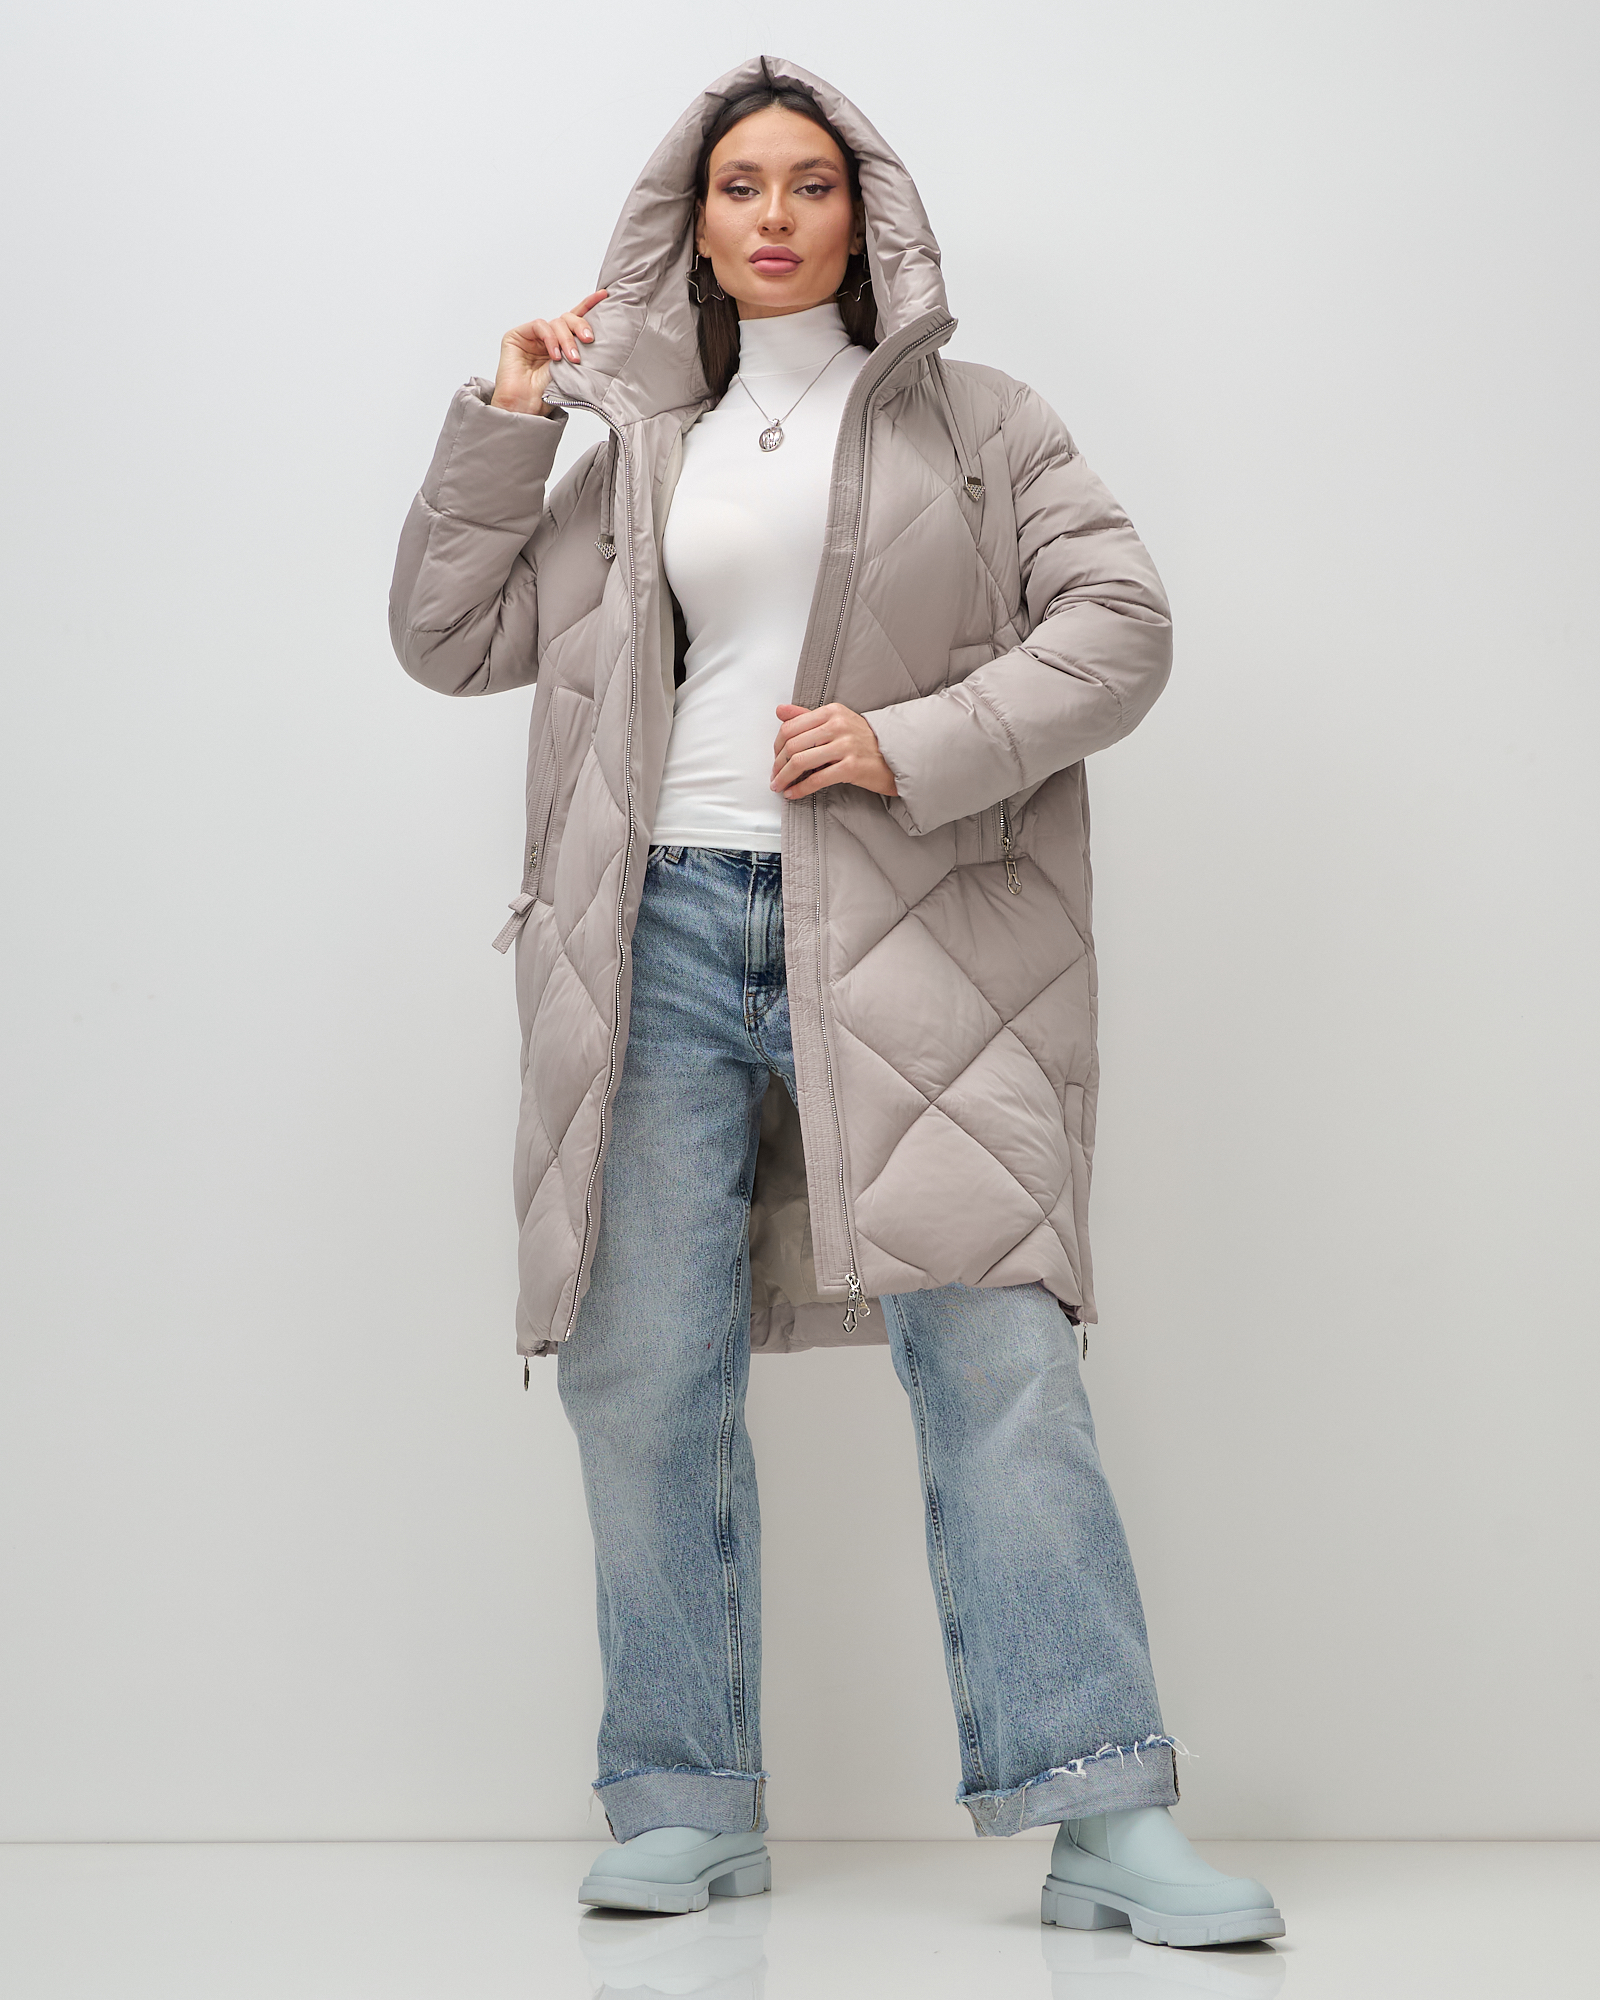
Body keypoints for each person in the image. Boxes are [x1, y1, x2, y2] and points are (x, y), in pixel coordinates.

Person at [389, 55, 1284, 1949]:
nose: (777, 214)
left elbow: (1119, 630)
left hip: (915, 937)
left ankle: (1103, 1813)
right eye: (741, 186)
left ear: (868, 217)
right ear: (693, 225)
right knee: (641, 1366)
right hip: (653, 931)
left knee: (998, 1359)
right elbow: (447, 639)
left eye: (811, 182)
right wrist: (507, 417)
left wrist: (905, 741)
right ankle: (682, 1803)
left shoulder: (984, 424)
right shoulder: (642, 447)